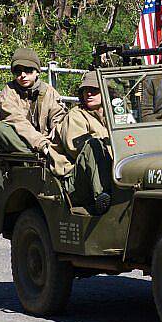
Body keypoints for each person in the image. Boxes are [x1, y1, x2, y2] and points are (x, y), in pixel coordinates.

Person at [0, 47, 65, 158]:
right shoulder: (8, 92)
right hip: (18, 141)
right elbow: (16, 120)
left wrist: (56, 133)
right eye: (18, 71)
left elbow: (58, 117)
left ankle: (46, 155)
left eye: (28, 70)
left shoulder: (50, 92)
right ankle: (36, 155)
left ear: (37, 72)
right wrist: (41, 144)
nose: (23, 75)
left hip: (46, 142)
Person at [54, 70, 114, 214]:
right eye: (85, 90)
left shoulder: (114, 114)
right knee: (93, 145)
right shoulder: (76, 115)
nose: (89, 94)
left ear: (105, 92)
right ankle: (102, 198)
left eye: (94, 90)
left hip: (113, 171)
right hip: (78, 179)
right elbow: (76, 148)